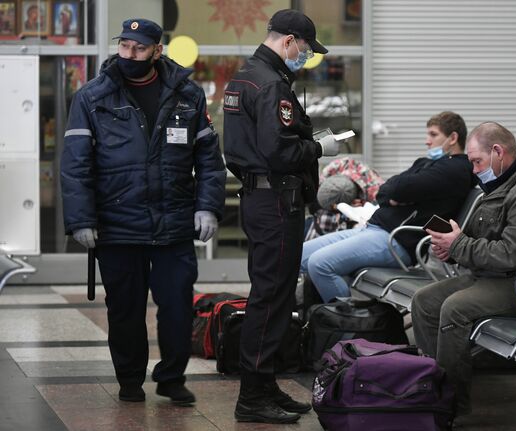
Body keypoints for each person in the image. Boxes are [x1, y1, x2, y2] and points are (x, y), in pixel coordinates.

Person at [60, 18, 226, 404]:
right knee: (125, 311)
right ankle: (130, 380)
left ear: (157, 50)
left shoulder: (187, 95)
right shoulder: (92, 97)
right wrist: (81, 219)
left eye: (138, 48)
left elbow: (208, 158)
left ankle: (171, 377)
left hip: (173, 223)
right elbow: (75, 164)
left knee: (177, 308)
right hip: (117, 224)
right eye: (124, 47)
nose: (130, 55)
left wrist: (208, 207)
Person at [223, 9, 339, 424]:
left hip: (260, 197)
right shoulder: (272, 85)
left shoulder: (244, 76)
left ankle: (264, 383)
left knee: (268, 294)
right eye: (306, 49)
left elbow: (241, 149)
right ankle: (253, 396)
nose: (306, 56)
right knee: (271, 299)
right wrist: (321, 148)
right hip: (276, 203)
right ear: (289, 41)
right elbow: (280, 151)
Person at [411, 122, 516, 417]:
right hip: (493, 276)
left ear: (498, 152)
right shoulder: (499, 182)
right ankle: (434, 383)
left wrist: (458, 244)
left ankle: (451, 406)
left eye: (477, 162)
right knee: (424, 302)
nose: (474, 170)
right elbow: (474, 239)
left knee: (454, 308)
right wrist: (449, 249)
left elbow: (511, 254)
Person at [301, 111, 477, 302]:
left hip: (396, 240)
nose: (427, 141)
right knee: (299, 256)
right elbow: (385, 190)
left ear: (453, 138)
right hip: (373, 228)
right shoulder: (427, 163)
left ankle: (348, 328)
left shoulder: (456, 169)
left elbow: (401, 188)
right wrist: (395, 195)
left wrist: (398, 194)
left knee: (320, 265)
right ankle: (316, 320)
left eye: (433, 135)